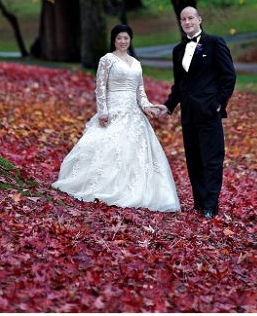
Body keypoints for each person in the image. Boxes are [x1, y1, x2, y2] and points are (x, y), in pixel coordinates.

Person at [53, 24, 180, 212]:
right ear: (113, 40)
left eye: (126, 38)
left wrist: (147, 107)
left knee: (135, 150)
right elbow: (101, 88)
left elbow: (140, 92)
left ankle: (135, 188)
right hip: (113, 109)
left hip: (133, 113)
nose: (123, 41)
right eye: (119, 38)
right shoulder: (107, 60)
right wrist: (103, 111)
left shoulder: (136, 63)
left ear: (130, 40)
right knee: (107, 147)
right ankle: (99, 184)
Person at [162, 6, 236, 219]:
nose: (187, 22)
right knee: (194, 160)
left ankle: (211, 206)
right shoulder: (178, 50)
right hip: (188, 114)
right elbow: (179, 86)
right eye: (183, 19)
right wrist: (168, 106)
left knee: (211, 160)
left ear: (199, 20)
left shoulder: (214, 43)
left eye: (191, 18)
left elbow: (228, 77)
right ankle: (199, 203)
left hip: (209, 112)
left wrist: (219, 104)